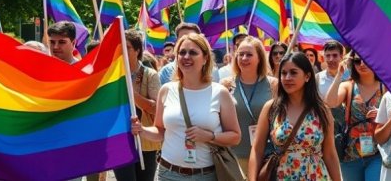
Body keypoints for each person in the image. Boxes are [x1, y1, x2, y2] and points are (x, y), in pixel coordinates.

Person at [131, 33, 242, 180]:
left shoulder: (220, 92)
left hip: (206, 175)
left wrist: (210, 136)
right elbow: (159, 130)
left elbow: (235, 137)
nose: (186, 56)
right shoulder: (167, 90)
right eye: (182, 52)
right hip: (168, 173)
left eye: (193, 52)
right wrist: (142, 130)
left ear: (205, 58)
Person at [248, 52, 342, 180]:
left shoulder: (322, 110)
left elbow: (330, 154)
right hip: (282, 175)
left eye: (293, 72)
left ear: (307, 76)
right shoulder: (271, 108)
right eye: (283, 73)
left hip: (316, 176)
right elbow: (257, 149)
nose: (287, 78)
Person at [220, 36, 278, 174]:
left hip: (266, 157)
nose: (244, 58)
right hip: (234, 157)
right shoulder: (225, 85)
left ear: (260, 58)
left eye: (249, 54)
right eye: (240, 54)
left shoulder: (274, 85)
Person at [324, 51, 384, 181]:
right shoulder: (348, 86)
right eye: (357, 61)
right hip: (350, 155)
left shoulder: (385, 88)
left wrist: (382, 114)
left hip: (378, 153)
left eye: (366, 59)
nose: (362, 64)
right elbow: (330, 102)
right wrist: (339, 74)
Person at [112, 29, 161, 181]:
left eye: (126, 47)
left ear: (137, 50)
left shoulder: (149, 74)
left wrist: (132, 95)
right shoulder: (111, 75)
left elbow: (155, 108)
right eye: (118, 47)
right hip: (120, 142)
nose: (121, 51)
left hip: (145, 142)